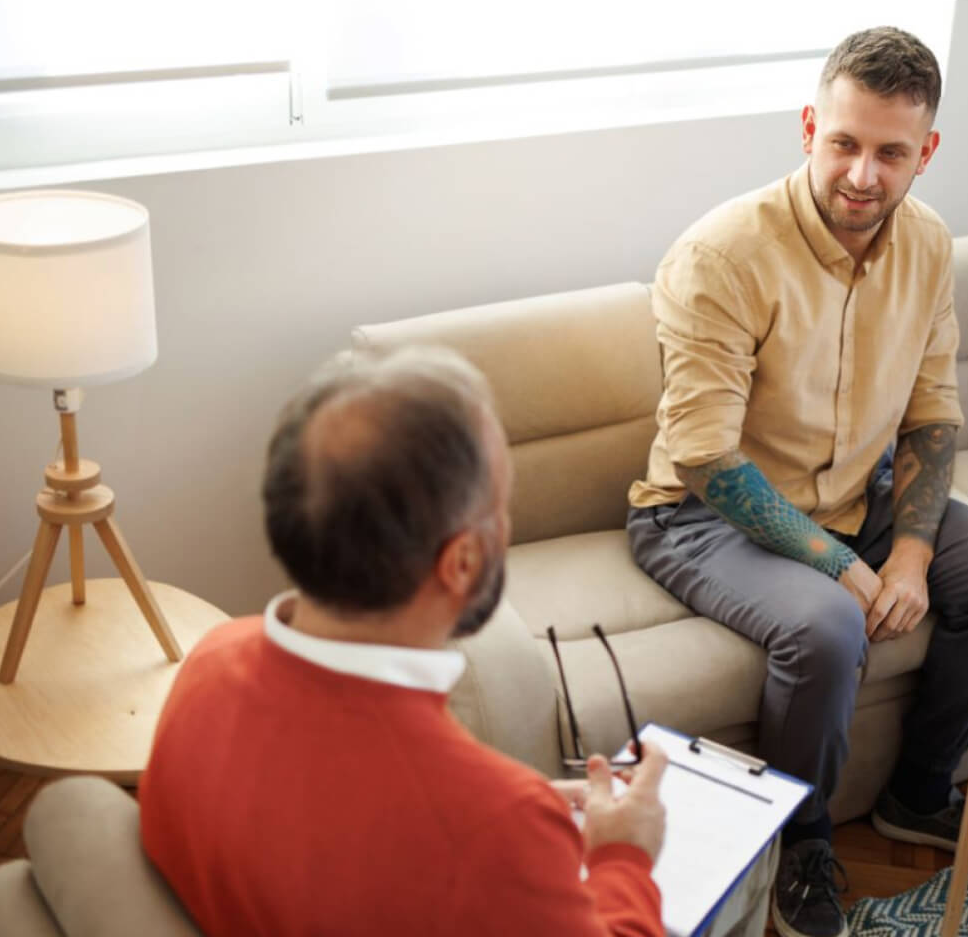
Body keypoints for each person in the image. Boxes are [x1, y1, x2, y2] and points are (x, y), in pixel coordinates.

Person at [625, 26, 968, 937]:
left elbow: (934, 412)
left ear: (925, 153)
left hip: (861, 497)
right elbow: (704, 456)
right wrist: (838, 566)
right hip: (703, 517)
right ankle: (803, 842)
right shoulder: (722, 256)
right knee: (826, 628)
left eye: (891, 153)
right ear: (810, 126)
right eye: (845, 144)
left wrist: (908, 552)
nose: (863, 175)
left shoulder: (929, 245)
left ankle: (917, 795)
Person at [140, 347, 668, 937]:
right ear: (462, 562)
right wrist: (624, 855)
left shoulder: (208, 660)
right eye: (502, 508)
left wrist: (510, 805)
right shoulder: (491, 827)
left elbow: (319, 810)